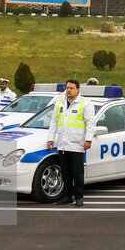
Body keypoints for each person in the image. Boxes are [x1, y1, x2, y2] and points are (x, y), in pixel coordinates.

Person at [47, 79, 96, 207]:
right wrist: (50, 139)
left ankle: (79, 196)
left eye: (71, 88)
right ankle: (67, 196)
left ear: (78, 90)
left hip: (77, 144)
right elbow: (54, 122)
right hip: (63, 144)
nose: (68, 90)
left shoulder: (85, 104)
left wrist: (88, 140)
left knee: (78, 173)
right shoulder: (59, 104)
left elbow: (90, 123)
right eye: (67, 88)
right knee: (66, 173)